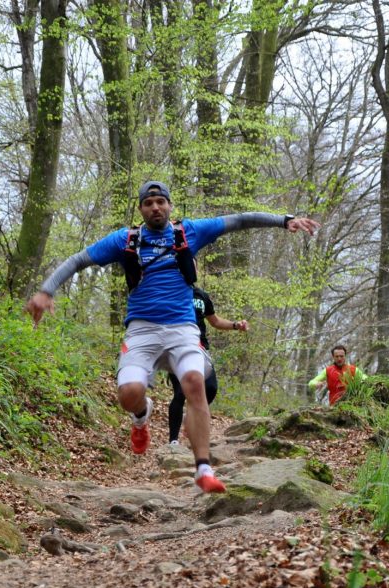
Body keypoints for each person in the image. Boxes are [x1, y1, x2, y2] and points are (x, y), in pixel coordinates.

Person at [26, 180, 320, 494]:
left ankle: (203, 468)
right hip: (141, 329)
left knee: (194, 381)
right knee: (128, 394)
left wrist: (283, 220)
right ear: (141, 209)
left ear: (169, 205)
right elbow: (78, 260)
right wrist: (46, 290)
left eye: (160, 202)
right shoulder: (125, 240)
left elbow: (239, 220)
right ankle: (141, 415)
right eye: (148, 203)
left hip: (182, 327)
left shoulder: (190, 231)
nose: (155, 207)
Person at [168, 285, 248, 446]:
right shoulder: (170, 290)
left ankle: (190, 416)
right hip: (176, 347)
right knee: (180, 393)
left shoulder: (201, 295)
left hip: (200, 348)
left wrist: (235, 325)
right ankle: (173, 441)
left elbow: (215, 321)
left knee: (211, 388)